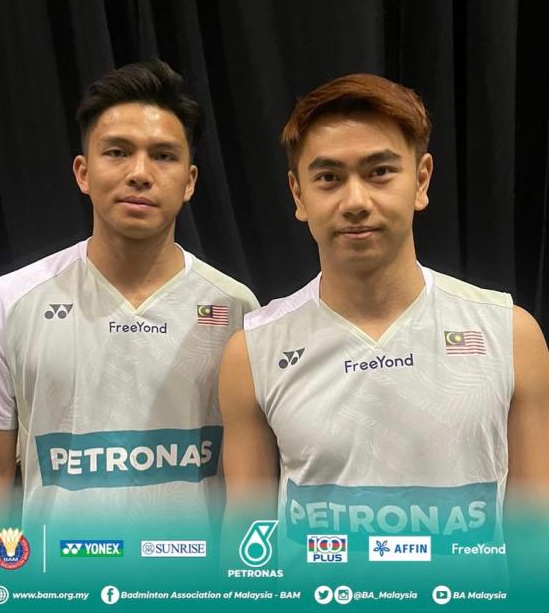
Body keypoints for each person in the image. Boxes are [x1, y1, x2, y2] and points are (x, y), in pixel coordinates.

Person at [219, 73, 549, 561]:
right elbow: (247, 551)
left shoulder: (511, 334)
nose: (355, 202)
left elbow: (533, 543)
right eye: (329, 178)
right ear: (298, 194)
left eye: (379, 172)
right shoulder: (252, 351)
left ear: (421, 180)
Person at [0, 59, 258, 527]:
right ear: (83, 172)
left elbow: (251, 482)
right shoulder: (8, 302)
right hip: (57, 571)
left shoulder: (236, 309)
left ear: (190, 181)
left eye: (164, 156)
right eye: (117, 152)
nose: (140, 173)